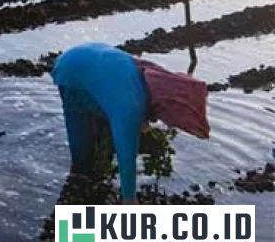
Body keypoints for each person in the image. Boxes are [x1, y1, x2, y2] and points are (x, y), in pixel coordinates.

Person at [51, 42, 210, 207]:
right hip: (71, 71)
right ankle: (76, 187)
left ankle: (82, 183)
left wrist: (141, 122)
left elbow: (141, 99)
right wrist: (129, 199)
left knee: (105, 121)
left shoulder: (154, 78)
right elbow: (126, 155)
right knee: (82, 147)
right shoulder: (129, 106)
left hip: (91, 58)